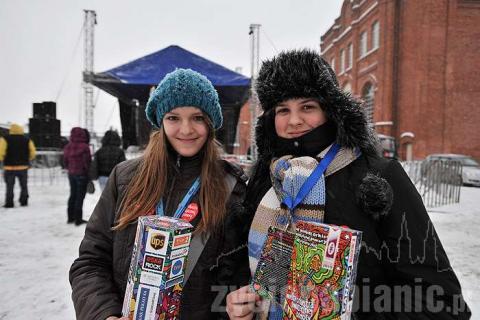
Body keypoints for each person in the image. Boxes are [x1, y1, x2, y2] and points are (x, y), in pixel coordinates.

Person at [226, 49, 471, 319]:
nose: (294, 121)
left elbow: (441, 300)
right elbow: (242, 266)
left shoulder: (377, 177)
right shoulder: (266, 178)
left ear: (331, 111)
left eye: (308, 107)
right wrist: (241, 303)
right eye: (283, 110)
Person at [69, 69, 251, 320]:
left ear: (211, 123)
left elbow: (237, 277)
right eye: (173, 117)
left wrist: (236, 308)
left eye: (197, 117)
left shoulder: (232, 187)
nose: (186, 129)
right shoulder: (125, 179)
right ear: (160, 122)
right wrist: (104, 314)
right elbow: (90, 262)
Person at [0, 123, 36, 208]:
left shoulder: (5, 139)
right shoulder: (27, 140)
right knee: (24, 185)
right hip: (23, 167)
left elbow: (1, 151)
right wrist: (28, 159)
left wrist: (1, 160)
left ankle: (9, 203)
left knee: (9, 186)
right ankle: (24, 201)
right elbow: (33, 152)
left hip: (9, 167)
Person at [63, 127, 91, 225]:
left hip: (71, 174)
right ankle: (78, 219)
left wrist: (69, 169)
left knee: (73, 195)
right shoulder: (85, 147)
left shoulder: (67, 146)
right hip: (82, 174)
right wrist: (88, 173)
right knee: (80, 197)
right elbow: (87, 162)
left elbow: (65, 161)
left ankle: (70, 217)